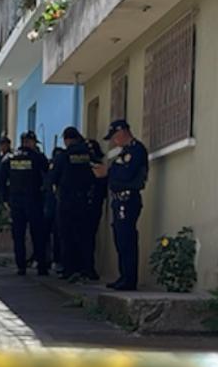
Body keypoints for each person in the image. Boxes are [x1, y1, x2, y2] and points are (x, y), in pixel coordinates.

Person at [94, 119, 148, 291]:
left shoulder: (136, 150)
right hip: (119, 200)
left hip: (128, 199)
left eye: (115, 137)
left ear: (122, 132)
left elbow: (126, 175)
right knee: (120, 239)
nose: (114, 141)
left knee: (127, 239)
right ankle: (123, 276)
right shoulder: (123, 152)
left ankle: (129, 279)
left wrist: (108, 174)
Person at [0, 132, 49, 276]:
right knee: (38, 234)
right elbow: (47, 172)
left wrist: (5, 199)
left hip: (16, 201)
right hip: (34, 200)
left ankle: (21, 267)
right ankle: (41, 267)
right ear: (30, 142)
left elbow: (0, 180)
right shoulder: (37, 157)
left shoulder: (9, 158)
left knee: (18, 235)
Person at [52, 126, 97, 281]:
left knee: (66, 235)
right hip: (85, 200)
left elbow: (53, 177)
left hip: (67, 200)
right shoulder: (88, 154)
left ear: (66, 140)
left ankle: (69, 269)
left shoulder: (63, 156)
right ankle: (88, 269)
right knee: (86, 235)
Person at [85, 138, 108, 280]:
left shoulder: (99, 167)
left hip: (91, 205)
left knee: (88, 238)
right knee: (88, 238)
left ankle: (87, 268)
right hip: (90, 205)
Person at [43, 146, 64, 274]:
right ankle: (51, 260)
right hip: (52, 207)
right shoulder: (54, 172)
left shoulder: (55, 171)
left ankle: (53, 260)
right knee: (53, 235)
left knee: (56, 235)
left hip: (53, 207)